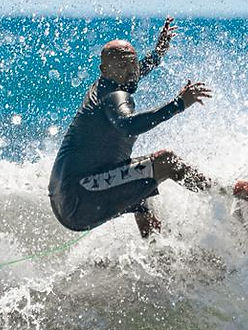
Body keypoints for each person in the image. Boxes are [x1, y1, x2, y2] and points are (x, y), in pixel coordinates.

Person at [48, 17, 217, 238]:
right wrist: (179, 103)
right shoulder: (113, 96)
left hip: (69, 200)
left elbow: (135, 71)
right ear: (105, 70)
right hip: (81, 196)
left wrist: (158, 53)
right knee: (166, 162)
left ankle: (158, 253)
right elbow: (129, 124)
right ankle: (227, 195)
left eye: (133, 65)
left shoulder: (108, 84)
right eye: (121, 67)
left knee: (141, 182)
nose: (131, 72)